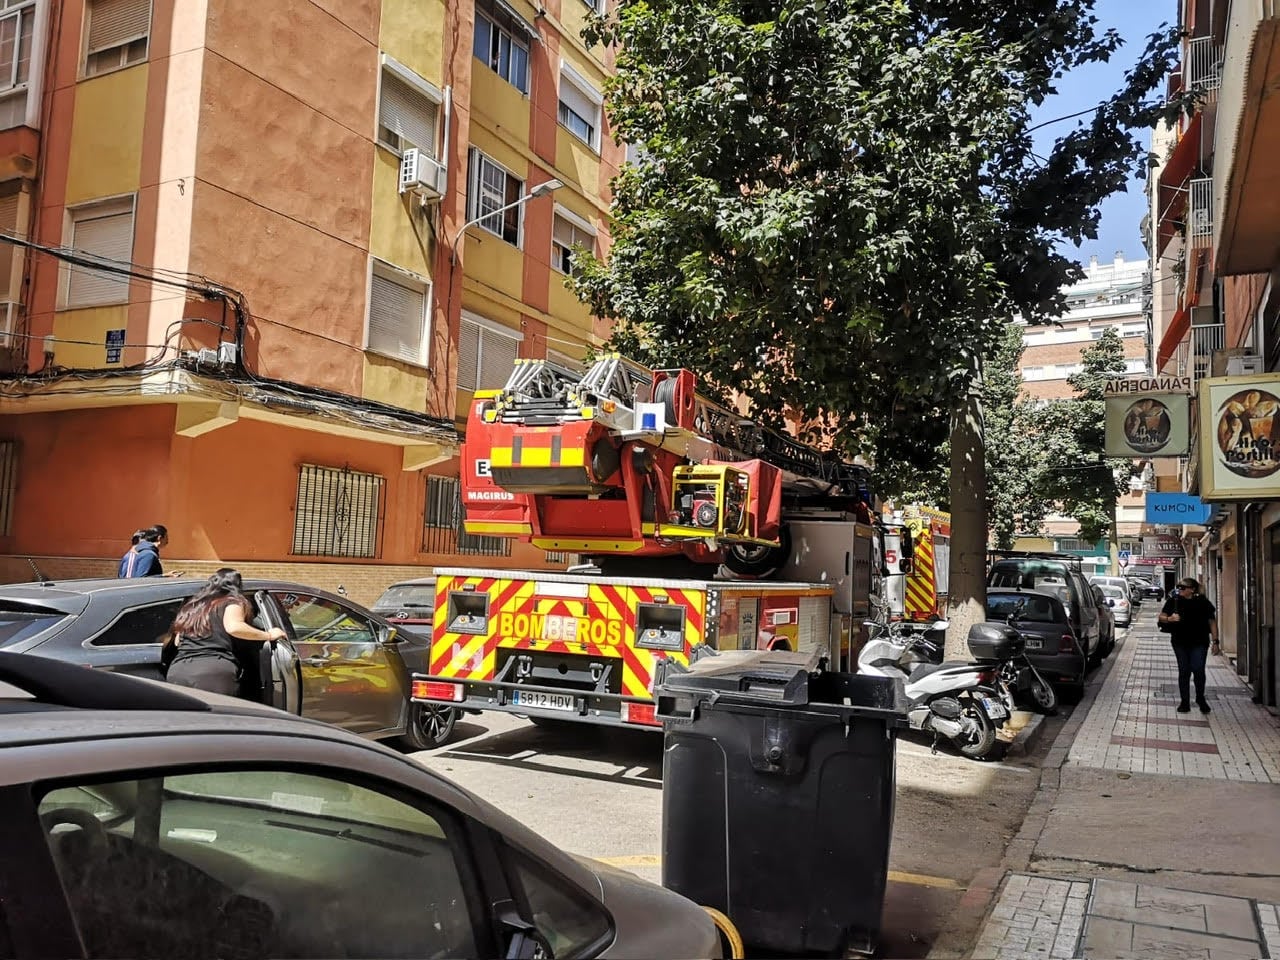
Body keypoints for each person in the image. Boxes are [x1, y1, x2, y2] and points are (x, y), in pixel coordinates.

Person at [164, 568, 286, 697]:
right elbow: (234, 627)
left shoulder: (193, 606)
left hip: (178, 671)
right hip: (212, 672)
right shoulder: (232, 601)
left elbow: (178, 642)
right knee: (219, 715)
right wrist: (269, 635)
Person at [1158, 577, 1220, 714]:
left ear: (1192, 589)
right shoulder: (1173, 601)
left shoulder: (1203, 602)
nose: (1180, 590)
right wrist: (1169, 618)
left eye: (1183, 588)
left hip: (1199, 642)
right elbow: (1161, 616)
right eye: (1179, 587)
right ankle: (1184, 701)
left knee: (1198, 670)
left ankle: (1200, 698)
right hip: (1180, 642)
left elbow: (1212, 622)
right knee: (1184, 670)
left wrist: (1216, 641)